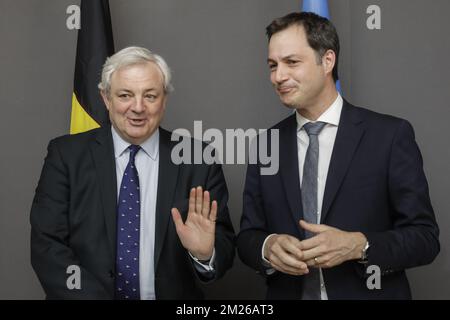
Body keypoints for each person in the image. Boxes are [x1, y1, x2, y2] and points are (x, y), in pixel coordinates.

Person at [237, 12, 439, 299]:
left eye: (291, 62)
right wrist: (267, 247)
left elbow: (425, 238)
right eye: (273, 65)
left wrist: (359, 245)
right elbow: (248, 236)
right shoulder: (265, 144)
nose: (278, 76)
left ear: (327, 61)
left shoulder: (389, 136)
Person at [30, 46, 235, 299]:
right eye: (125, 95)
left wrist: (204, 254)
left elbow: (224, 246)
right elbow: (47, 246)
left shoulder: (198, 159)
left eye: (150, 96)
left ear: (165, 99)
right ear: (106, 98)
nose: (138, 107)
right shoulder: (66, 155)